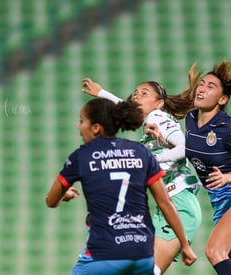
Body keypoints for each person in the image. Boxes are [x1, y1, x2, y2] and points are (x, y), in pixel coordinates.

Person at [145, 53, 231, 275]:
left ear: (222, 99)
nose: (201, 89)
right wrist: (161, 140)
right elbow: (189, 151)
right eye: (201, 84)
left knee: (214, 251)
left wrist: (227, 177)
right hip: (221, 206)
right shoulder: (191, 120)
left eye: (210, 86)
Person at [45, 97, 197, 275]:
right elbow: (165, 202)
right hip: (142, 254)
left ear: (96, 128)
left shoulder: (81, 156)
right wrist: (185, 245)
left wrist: (65, 195)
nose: (79, 127)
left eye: (81, 121)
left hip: (104, 254)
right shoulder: (140, 152)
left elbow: (51, 201)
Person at [81, 78, 202, 274]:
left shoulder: (157, 117)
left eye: (144, 93)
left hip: (179, 205)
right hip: (170, 208)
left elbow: (185, 148)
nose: (137, 95)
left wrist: (153, 158)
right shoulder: (150, 121)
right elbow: (125, 105)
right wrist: (102, 93)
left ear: (159, 103)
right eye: (136, 92)